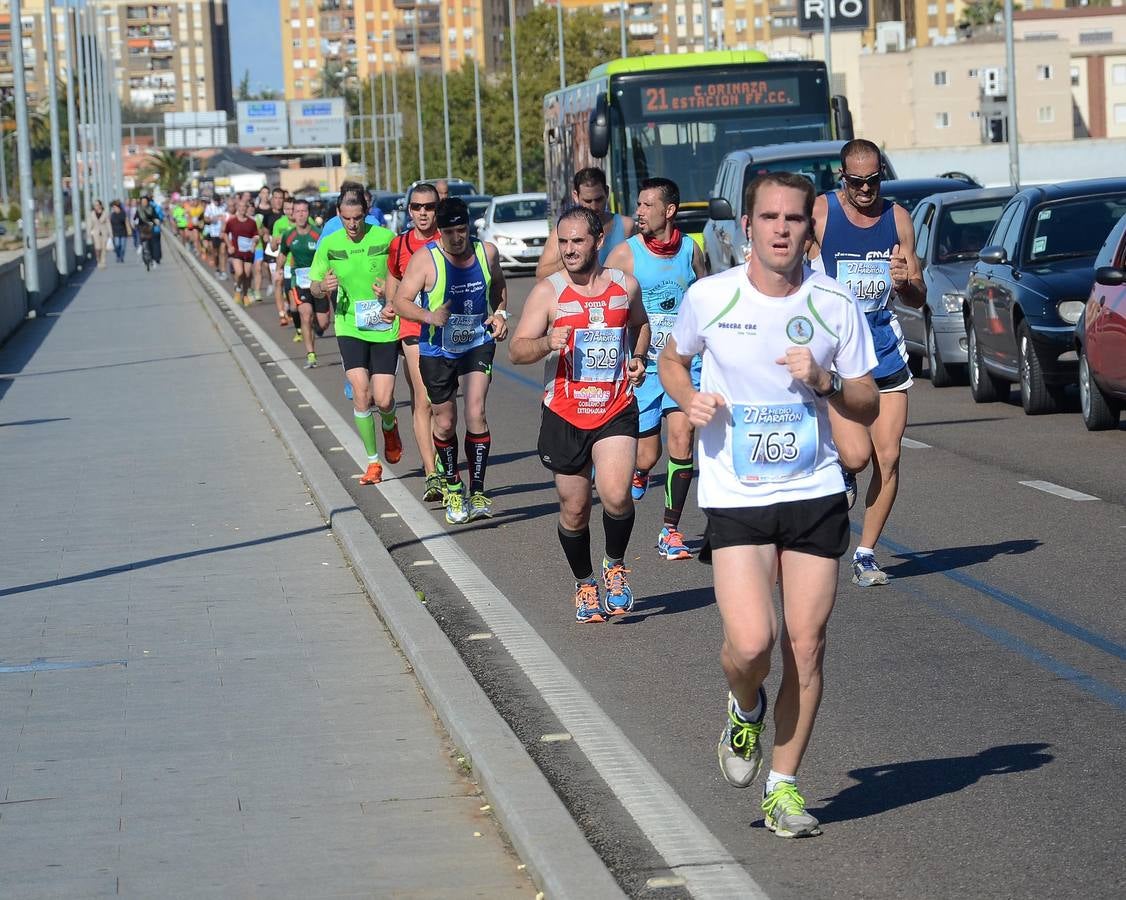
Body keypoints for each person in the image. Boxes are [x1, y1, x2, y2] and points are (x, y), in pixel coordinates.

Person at [658, 170, 878, 839]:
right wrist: (686, 397)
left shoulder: (835, 304)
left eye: (794, 219)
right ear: (746, 226)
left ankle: (783, 787)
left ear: (809, 227)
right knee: (754, 642)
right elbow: (673, 357)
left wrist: (827, 379)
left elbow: (866, 401)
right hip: (736, 492)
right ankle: (744, 704)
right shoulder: (711, 297)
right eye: (769, 218)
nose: (782, 230)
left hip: (813, 491)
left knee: (807, 648)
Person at [509, 207, 650, 623]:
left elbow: (640, 324)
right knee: (574, 509)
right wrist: (546, 342)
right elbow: (517, 350)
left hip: (614, 406)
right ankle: (585, 582)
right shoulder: (548, 293)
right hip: (565, 413)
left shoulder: (625, 286)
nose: (569, 250)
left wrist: (638, 357)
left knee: (617, 494)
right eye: (563, 242)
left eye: (577, 241)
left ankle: (615, 565)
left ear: (597, 242)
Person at [809, 139, 926, 587]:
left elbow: (918, 294)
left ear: (881, 175)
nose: (865, 189)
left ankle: (865, 553)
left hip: (883, 349)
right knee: (856, 458)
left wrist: (903, 282)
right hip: (839, 356)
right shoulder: (822, 213)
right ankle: (840, 470)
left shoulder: (897, 219)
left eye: (873, 180)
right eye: (856, 182)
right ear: (843, 178)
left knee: (889, 456)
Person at [606, 176, 706, 561]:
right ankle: (640, 471)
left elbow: (703, 297)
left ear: (669, 211)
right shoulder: (625, 255)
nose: (640, 212)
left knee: (682, 439)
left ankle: (670, 530)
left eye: (648, 206)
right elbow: (608, 306)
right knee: (648, 454)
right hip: (643, 368)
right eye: (639, 205)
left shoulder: (691, 251)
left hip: (683, 364)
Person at [392, 198, 509, 524]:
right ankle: (453, 485)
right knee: (444, 422)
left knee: (476, 413)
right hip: (436, 350)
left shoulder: (486, 253)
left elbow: (499, 284)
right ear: (439, 232)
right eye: (450, 232)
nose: (457, 238)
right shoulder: (425, 261)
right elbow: (400, 301)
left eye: (462, 230)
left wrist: (500, 314)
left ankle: (478, 490)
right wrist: (428, 315)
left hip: (477, 343)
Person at [309, 188, 403, 485]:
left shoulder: (385, 238)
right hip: (349, 324)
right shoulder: (329, 244)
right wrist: (323, 287)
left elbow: (404, 275)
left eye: (358, 218)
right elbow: (313, 285)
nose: (352, 224)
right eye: (347, 218)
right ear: (339, 215)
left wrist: (390, 291)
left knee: (384, 398)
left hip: (383, 323)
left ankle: (389, 425)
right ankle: (373, 463)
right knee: (361, 392)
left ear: (367, 214)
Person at [386, 182, 442, 502]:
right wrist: (391, 304)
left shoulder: (447, 240)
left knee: (442, 402)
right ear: (409, 210)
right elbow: (394, 277)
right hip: (413, 329)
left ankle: (441, 457)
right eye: (417, 207)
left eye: (429, 207)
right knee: (424, 398)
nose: (423, 213)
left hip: (446, 331)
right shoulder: (400, 244)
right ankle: (431, 472)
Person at [535, 168, 636, 279]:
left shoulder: (626, 226)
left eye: (599, 200)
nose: (593, 207)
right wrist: (572, 256)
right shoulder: (564, 231)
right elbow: (541, 275)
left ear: (607, 192)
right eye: (587, 201)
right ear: (575, 196)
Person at [281, 199, 325, 368]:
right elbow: (283, 254)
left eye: (304, 211)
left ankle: (317, 326)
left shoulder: (318, 233)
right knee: (305, 314)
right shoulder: (289, 235)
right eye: (297, 211)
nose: (300, 214)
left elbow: (326, 255)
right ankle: (311, 354)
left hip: (318, 283)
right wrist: (279, 269)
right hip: (299, 282)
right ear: (293, 214)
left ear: (308, 213)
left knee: (323, 323)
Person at [223, 199, 260, 306]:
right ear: (237, 208)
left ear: (247, 208)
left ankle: (245, 296)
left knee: (247, 275)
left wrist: (254, 243)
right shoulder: (232, 221)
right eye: (241, 206)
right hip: (237, 252)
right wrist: (229, 246)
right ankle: (238, 289)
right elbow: (225, 234)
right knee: (240, 273)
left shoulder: (252, 222)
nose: (243, 209)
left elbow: (256, 235)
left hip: (248, 252)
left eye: (245, 207)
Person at [204, 194, 228, 279]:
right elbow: (206, 219)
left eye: (219, 200)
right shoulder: (209, 207)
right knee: (216, 253)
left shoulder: (224, 206)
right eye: (216, 200)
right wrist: (212, 219)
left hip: (222, 232)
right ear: (213, 200)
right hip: (213, 233)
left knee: (223, 252)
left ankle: (223, 271)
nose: (217, 202)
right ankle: (217, 268)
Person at [135, 196, 162, 265]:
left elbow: (155, 216)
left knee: (151, 242)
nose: (144, 203)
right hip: (142, 227)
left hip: (150, 227)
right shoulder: (139, 209)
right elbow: (135, 217)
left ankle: (153, 257)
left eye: (145, 201)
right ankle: (144, 256)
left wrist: (156, 220)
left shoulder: (151, 208)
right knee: (143, 242)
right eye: (143, 201)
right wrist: (135, 221)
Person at [86, 200, 112, 268]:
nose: (96, 206)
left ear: (100, 205)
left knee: (103, 247)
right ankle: (98, 259)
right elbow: (89, 224)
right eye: (95, 205)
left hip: (104, 232)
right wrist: (88, 232)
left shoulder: (105, 213)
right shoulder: (92, 214)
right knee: (98, 247)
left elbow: (108, 223)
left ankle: (103, 261)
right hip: (96, 233)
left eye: (97, 205)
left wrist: (110, 233)